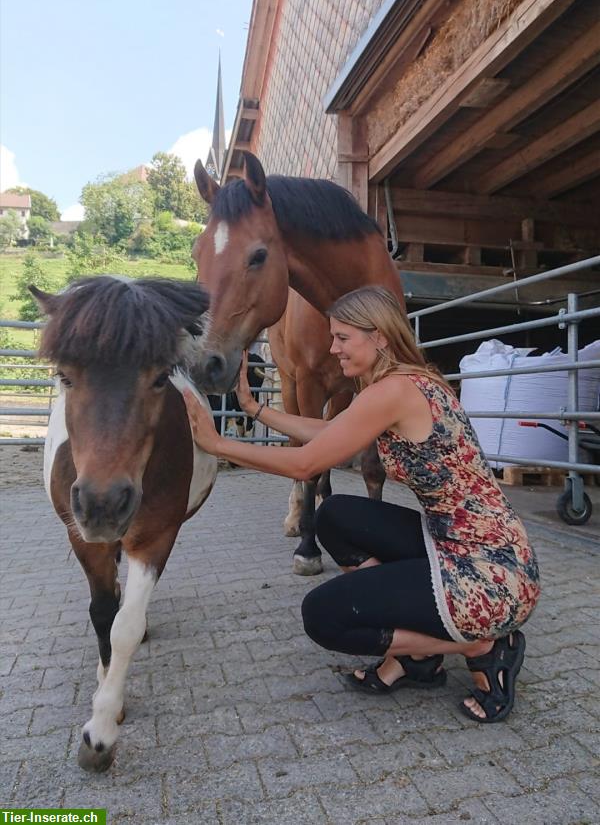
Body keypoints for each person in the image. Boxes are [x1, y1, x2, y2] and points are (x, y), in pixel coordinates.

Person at [183, 285, 541, 724]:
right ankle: (417, 655)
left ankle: (482, 645)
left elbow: (305, 463)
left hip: (491, 574)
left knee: (325, 616)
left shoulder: (393, 391)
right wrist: (255, 409)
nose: (333, 349)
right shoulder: (408, 381)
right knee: (335, 516)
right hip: (461, 545)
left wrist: (217, 444)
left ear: (381, 337)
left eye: (342, 338)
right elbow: (329, 433)